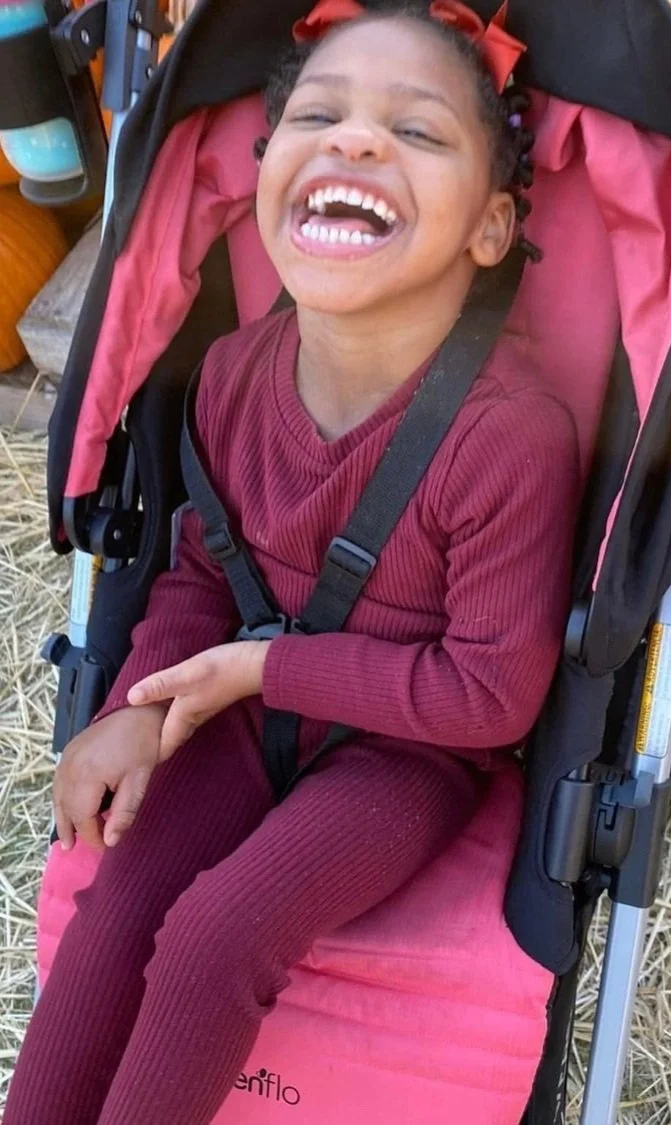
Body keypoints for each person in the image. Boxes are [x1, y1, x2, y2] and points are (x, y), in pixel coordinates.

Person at [5, 3, 580, 1122]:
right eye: (318, 117)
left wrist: (263, 670)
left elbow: (487, 695)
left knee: (216, 935)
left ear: (491, 228)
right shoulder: (231, 373)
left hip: (406, 755)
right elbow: (199, 569)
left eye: (416, 132)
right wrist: (137, 707)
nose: (355, 139)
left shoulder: (510, 436)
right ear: (266, 173)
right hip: (233, 712)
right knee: (115, 914)